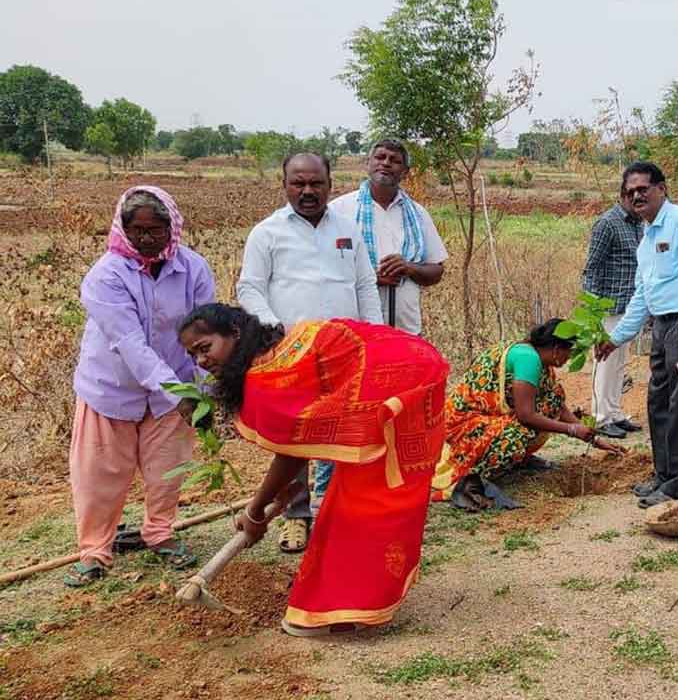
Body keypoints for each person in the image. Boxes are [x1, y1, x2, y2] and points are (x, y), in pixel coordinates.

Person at [177, 304, 448, 637]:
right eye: (194, 356)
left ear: (234, 333)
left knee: (371, 498)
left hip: (402, 380)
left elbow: (289, 456)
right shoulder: (272, 354)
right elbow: (299, 449)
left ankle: (342, 610)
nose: (202, 361)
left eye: (205, 349)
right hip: (407, 367)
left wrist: (257, 509)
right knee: (362, 492)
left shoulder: (267, 376)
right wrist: (272, 499)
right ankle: (353, 601)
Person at [64, 186, 215, 586]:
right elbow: (130, 344)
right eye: (137, 230)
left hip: (173, 392)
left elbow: (205, 333)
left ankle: (160, 532)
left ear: (173, 227)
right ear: (122, 228)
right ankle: (95, 549)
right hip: (111, 387)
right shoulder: (105, 276)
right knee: (99, 473)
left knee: (168, 468)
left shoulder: (193, 268)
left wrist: (202, 392)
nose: (146, 238)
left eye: (156, 229)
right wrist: (180, 394)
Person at [236, 152, 382, 554]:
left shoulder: (348, 229)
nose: (307, 191)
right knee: (296, 437)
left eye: (315, 183)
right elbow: (249, 288)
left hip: (346, 353)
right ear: (284, 185)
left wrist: (374, 335)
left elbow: (365, 285)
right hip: (293, 355)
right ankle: (297, 517)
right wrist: (274, 329)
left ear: (329, 183)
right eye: (298, 183)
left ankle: (341, 512)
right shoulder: (266, 233)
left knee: (346, 432)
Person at [595, 162, 678, 508]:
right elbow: (642, 295)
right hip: (663, 327)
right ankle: (664, 475)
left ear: (661, 189)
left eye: (643, 189)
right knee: (658, 403)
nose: (636, 195)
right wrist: (617, 337)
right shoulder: (646, 238)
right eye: (629, 191)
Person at [431, 319, 624, 510]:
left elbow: (557, 406)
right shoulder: (528, 359)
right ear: (556, 348)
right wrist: (571, 430)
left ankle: (518, 460)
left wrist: (594, 440)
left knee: (551, 398)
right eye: (569, 352)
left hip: (482, 419)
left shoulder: (537, 357)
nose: (568, 359)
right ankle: (473, 481)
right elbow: (526, 415)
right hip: (461, 427)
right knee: (518, 433)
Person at [328, 139, 447, 334]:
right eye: (380, 157)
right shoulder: (339, 210)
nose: (386, 163)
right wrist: (369, 278)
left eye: (394, 160)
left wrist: (408, 267)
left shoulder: (417, 214)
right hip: (354, 332)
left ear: (405, 172)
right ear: (368, 163)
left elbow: (436, 272)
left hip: (406, 330)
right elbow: (322, 271)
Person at [581, 189, 646, 439]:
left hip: (629, 307)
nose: (637, 199)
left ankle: (615, 412)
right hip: (608, 307)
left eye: (641, 195)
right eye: (632, 195)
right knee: (606, 363)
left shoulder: (638, 225)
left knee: (620, 363)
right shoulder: (607, 223)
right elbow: (591, 268)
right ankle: (601, 417)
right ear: (622, 195)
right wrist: (593, 312)